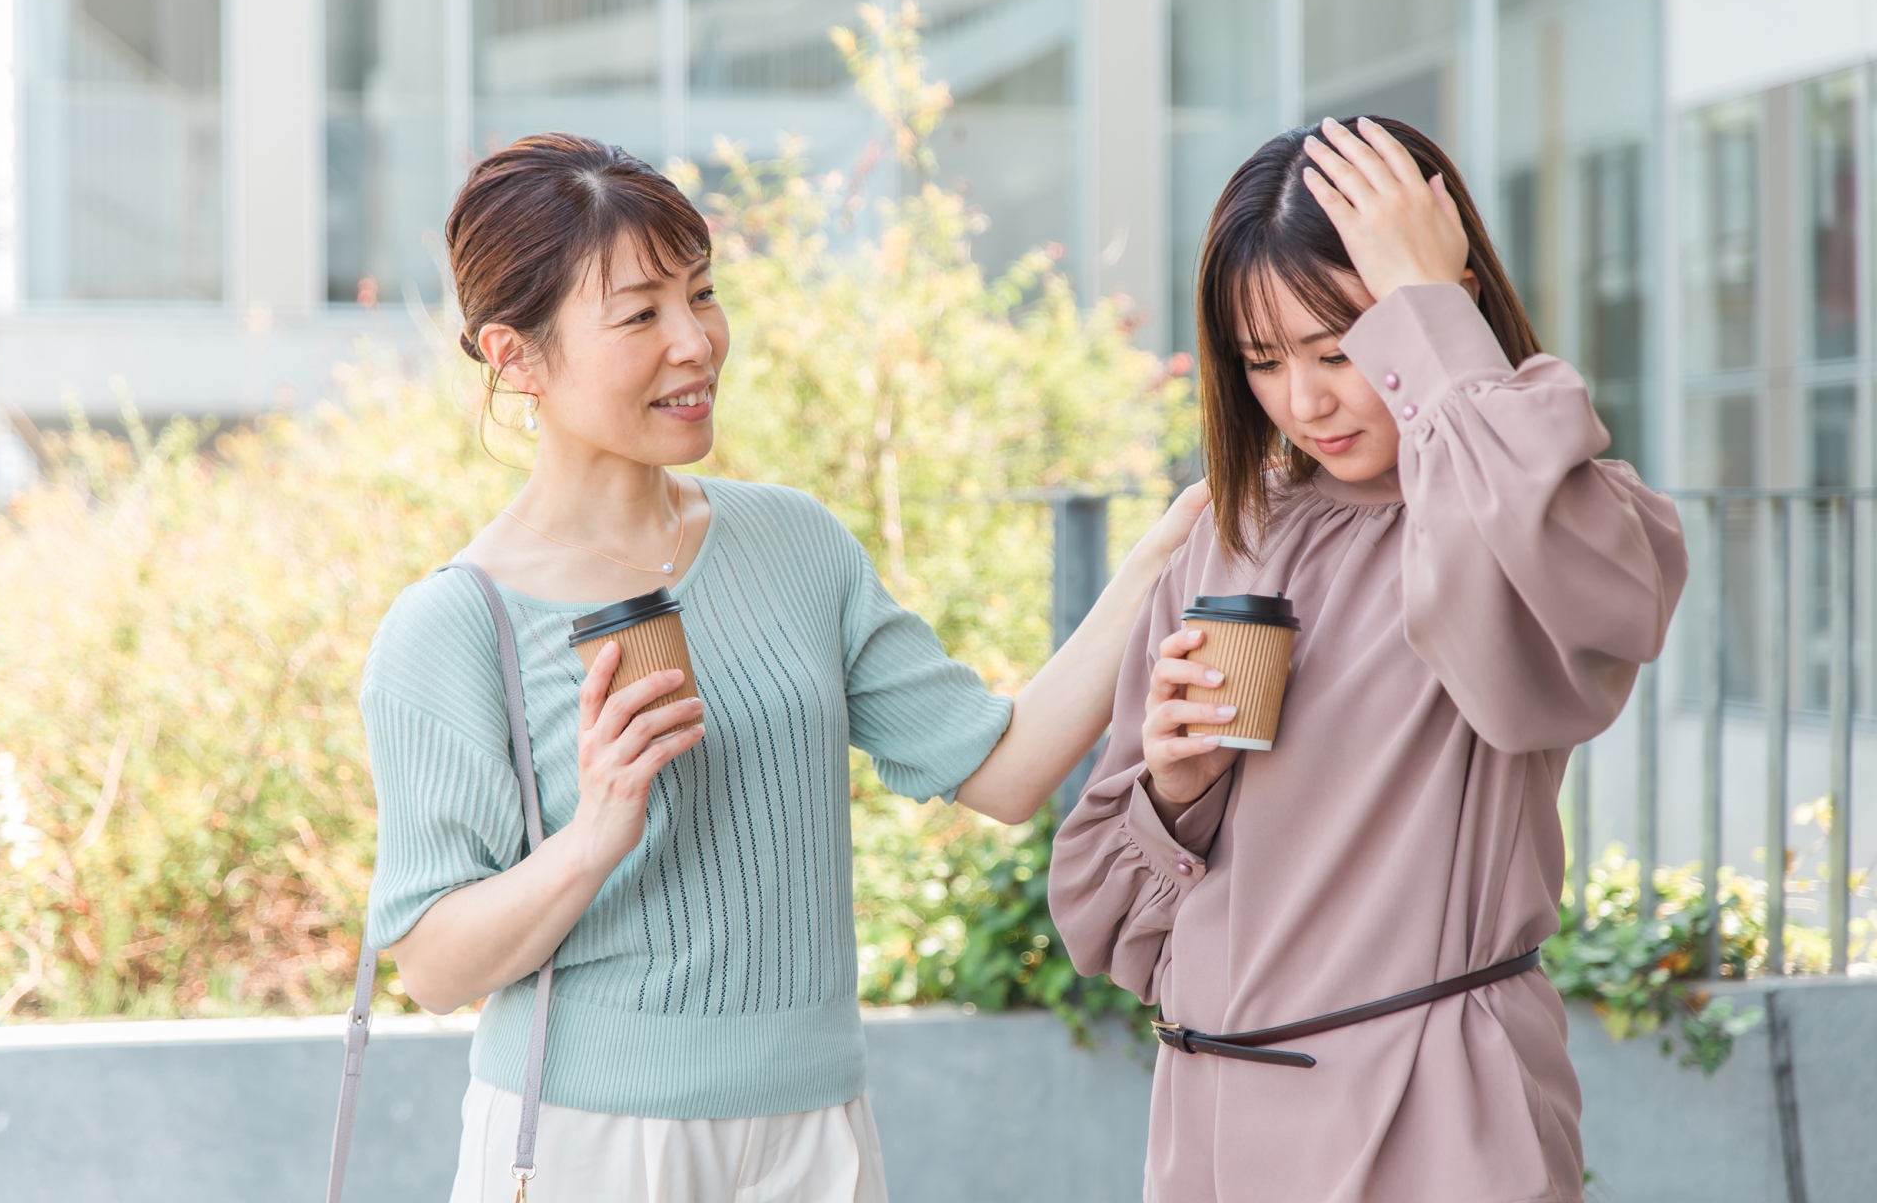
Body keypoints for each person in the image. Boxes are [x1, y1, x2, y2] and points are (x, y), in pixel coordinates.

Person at [359, 132, 1206, 1203]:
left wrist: (1165, 551)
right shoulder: (450, 626)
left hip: (816, 1127)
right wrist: (595, 835)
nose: (696, 342)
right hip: (593, 1143)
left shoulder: (795, 544)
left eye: (700, 294)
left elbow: (1002, 766)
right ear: (515, 356)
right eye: (640, 314)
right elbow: (432, 967)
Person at [1047, 116, 1687, 1203]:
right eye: (1263, 360)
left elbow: (1590, 604)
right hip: (1208, 1128)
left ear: (1445, 299)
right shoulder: (1235, 530)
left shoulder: (1544, 516)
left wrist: (1432, 315)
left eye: (1339, 348)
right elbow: (1102, 915)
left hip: (1432, 1118)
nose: (1305, 401)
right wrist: (1171, 786)